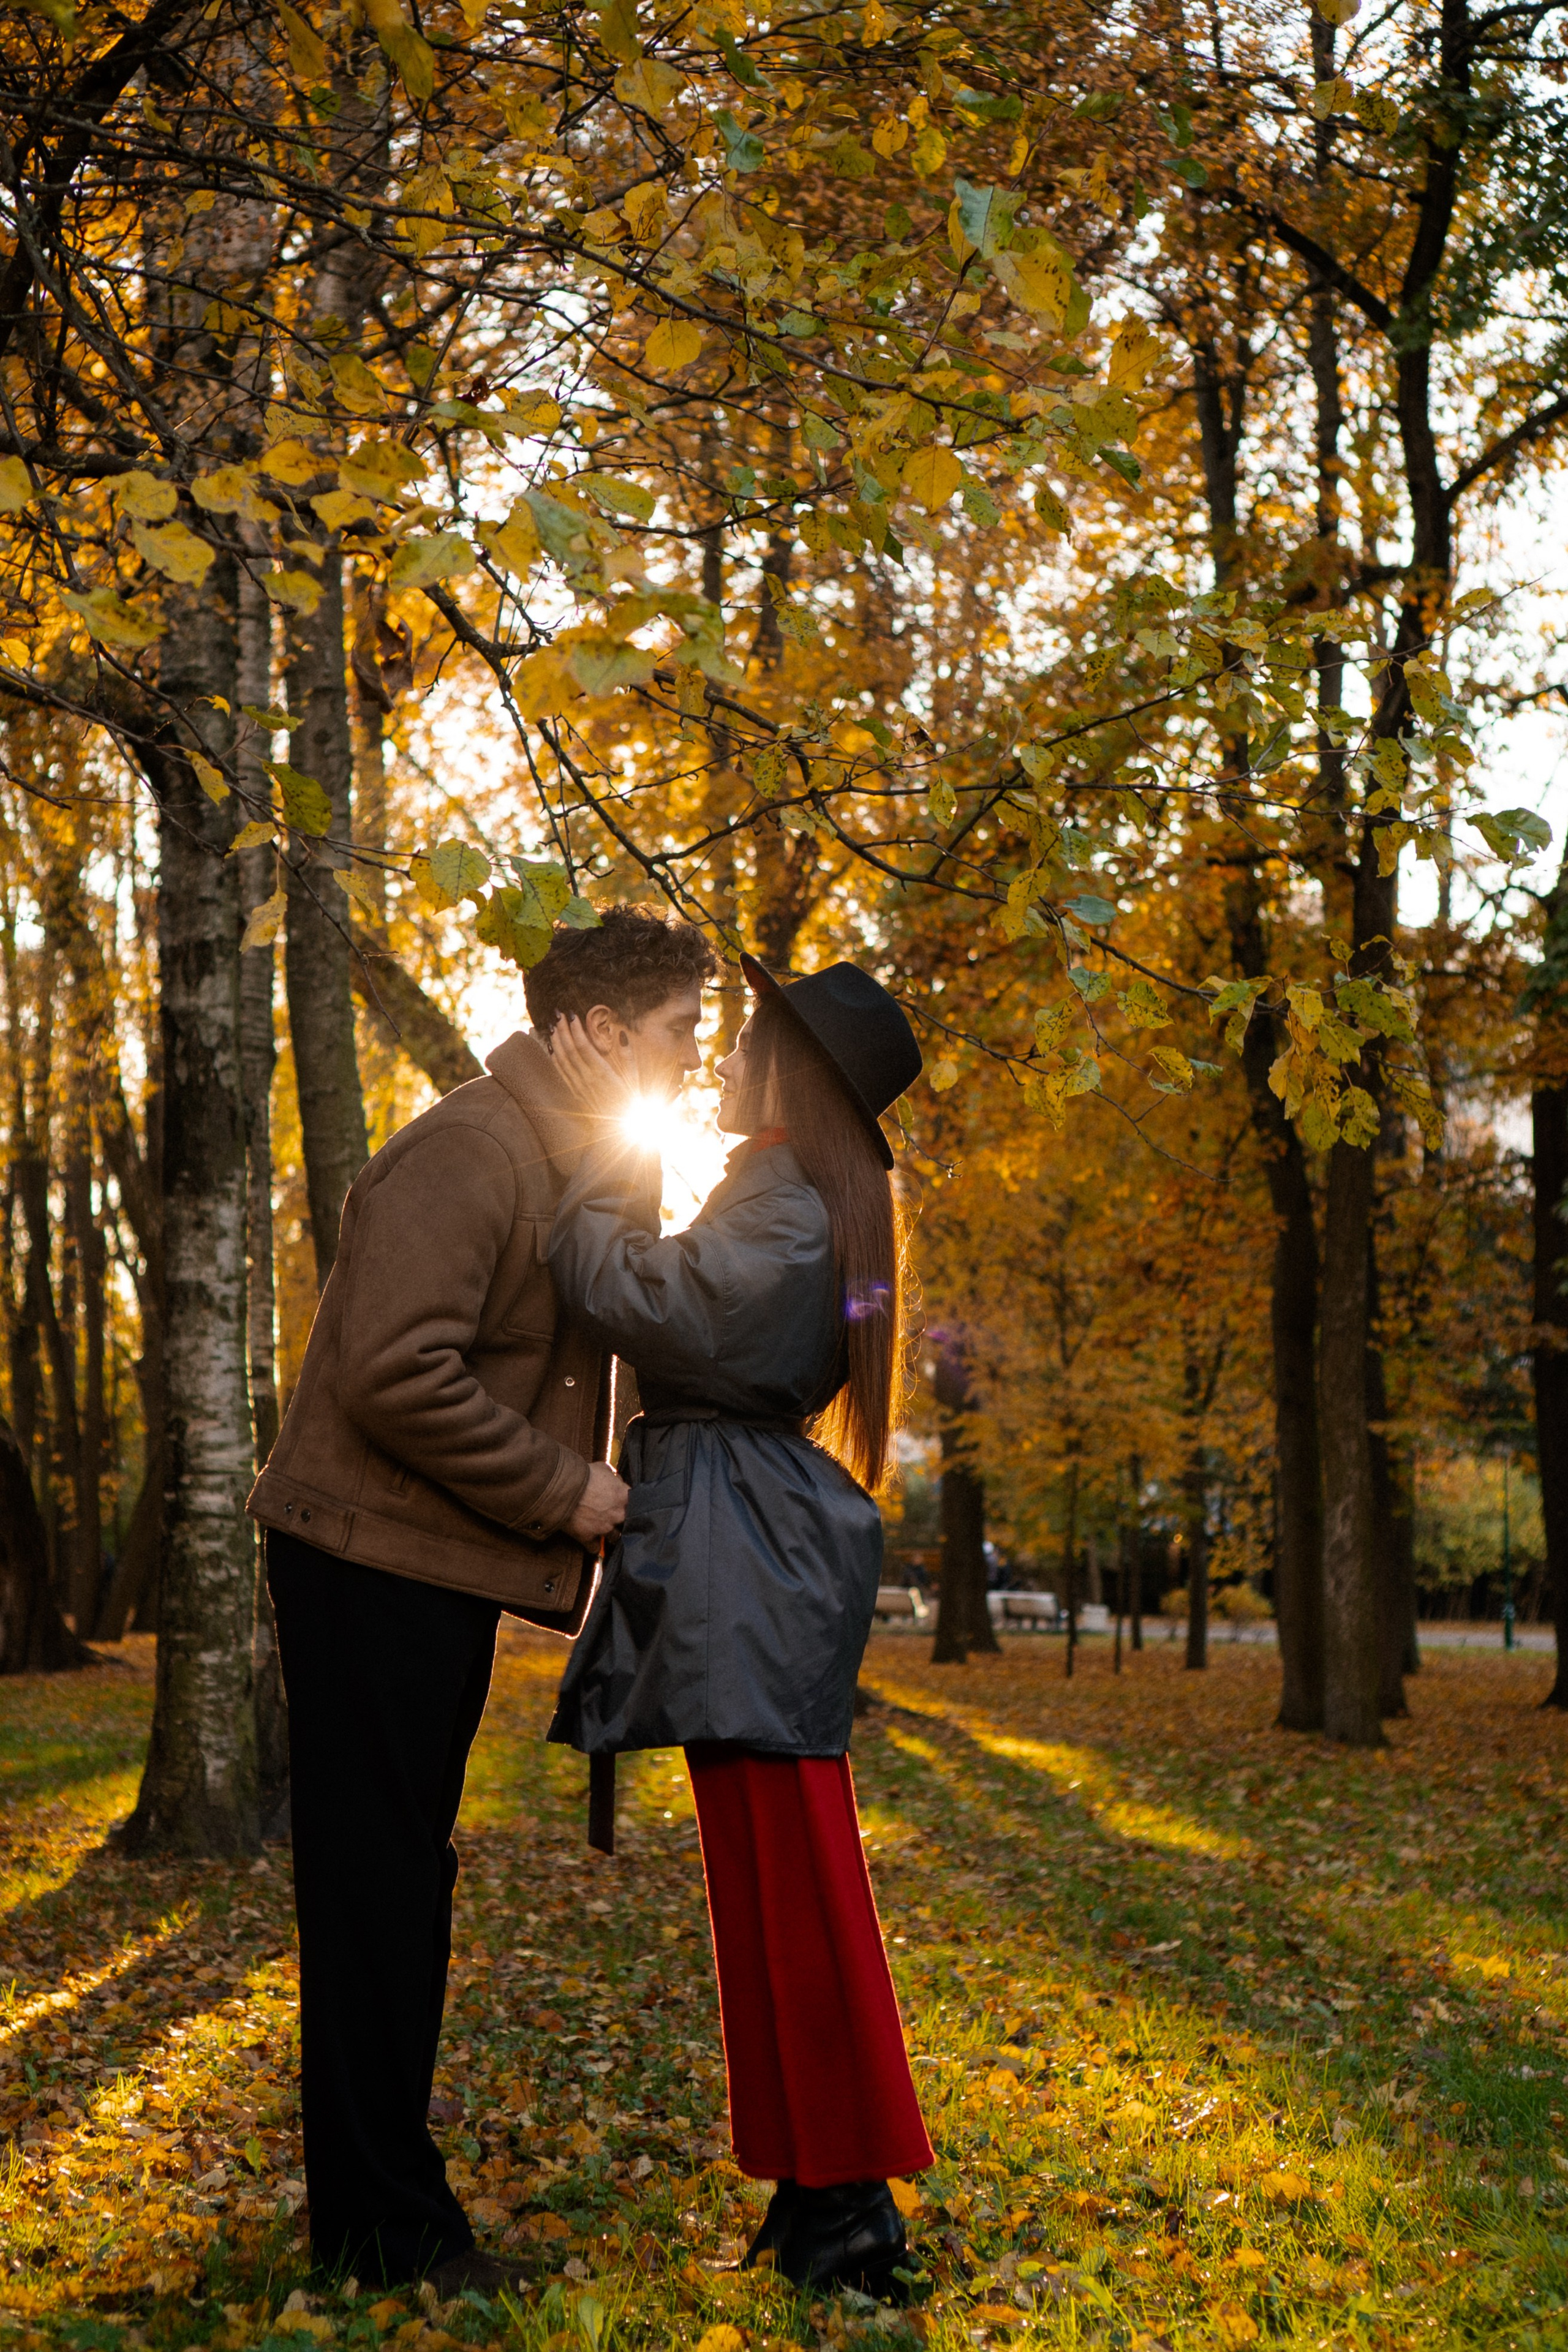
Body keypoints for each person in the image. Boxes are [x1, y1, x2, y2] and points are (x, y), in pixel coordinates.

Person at [247, 907, 714, 2292]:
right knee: (376, 1890)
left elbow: (601, 1315)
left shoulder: (565, 1155)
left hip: (422, 1563)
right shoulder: (470, 1151)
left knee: (399, 1882)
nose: (695, 1059)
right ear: (597, 1030)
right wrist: (564, 1492)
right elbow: (394, 1370)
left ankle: (379, 2206)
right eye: (679, 1032)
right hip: (363, 1565)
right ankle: (383, 2238)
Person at [546, 952, 935, 2299]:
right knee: (765, 1886)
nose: (716, 1057)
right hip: (739, 1550)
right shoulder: (786, 1190)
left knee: (795, 1881)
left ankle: (852, 2202)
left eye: (743, 1039)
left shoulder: (786, 1200)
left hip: (748, 1560)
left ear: (787, 1073)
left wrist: (602, 1152)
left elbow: (640, 1299)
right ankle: (813, 2186)